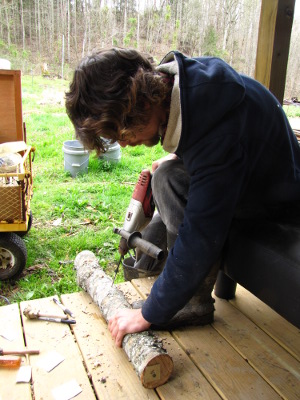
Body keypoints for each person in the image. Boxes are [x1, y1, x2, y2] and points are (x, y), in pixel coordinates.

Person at [65, 47, 300, 347]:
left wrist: (149, 313)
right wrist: (180, 155)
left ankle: (192, 302)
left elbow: (200, 235)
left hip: (274, 206)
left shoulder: (217, 125)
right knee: (166, 175)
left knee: (168, 181)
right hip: (248, 181)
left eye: (123, 134)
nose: (127, 143)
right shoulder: (179, 85)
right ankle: (186, 294)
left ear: (141, 103)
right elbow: (209, 144)